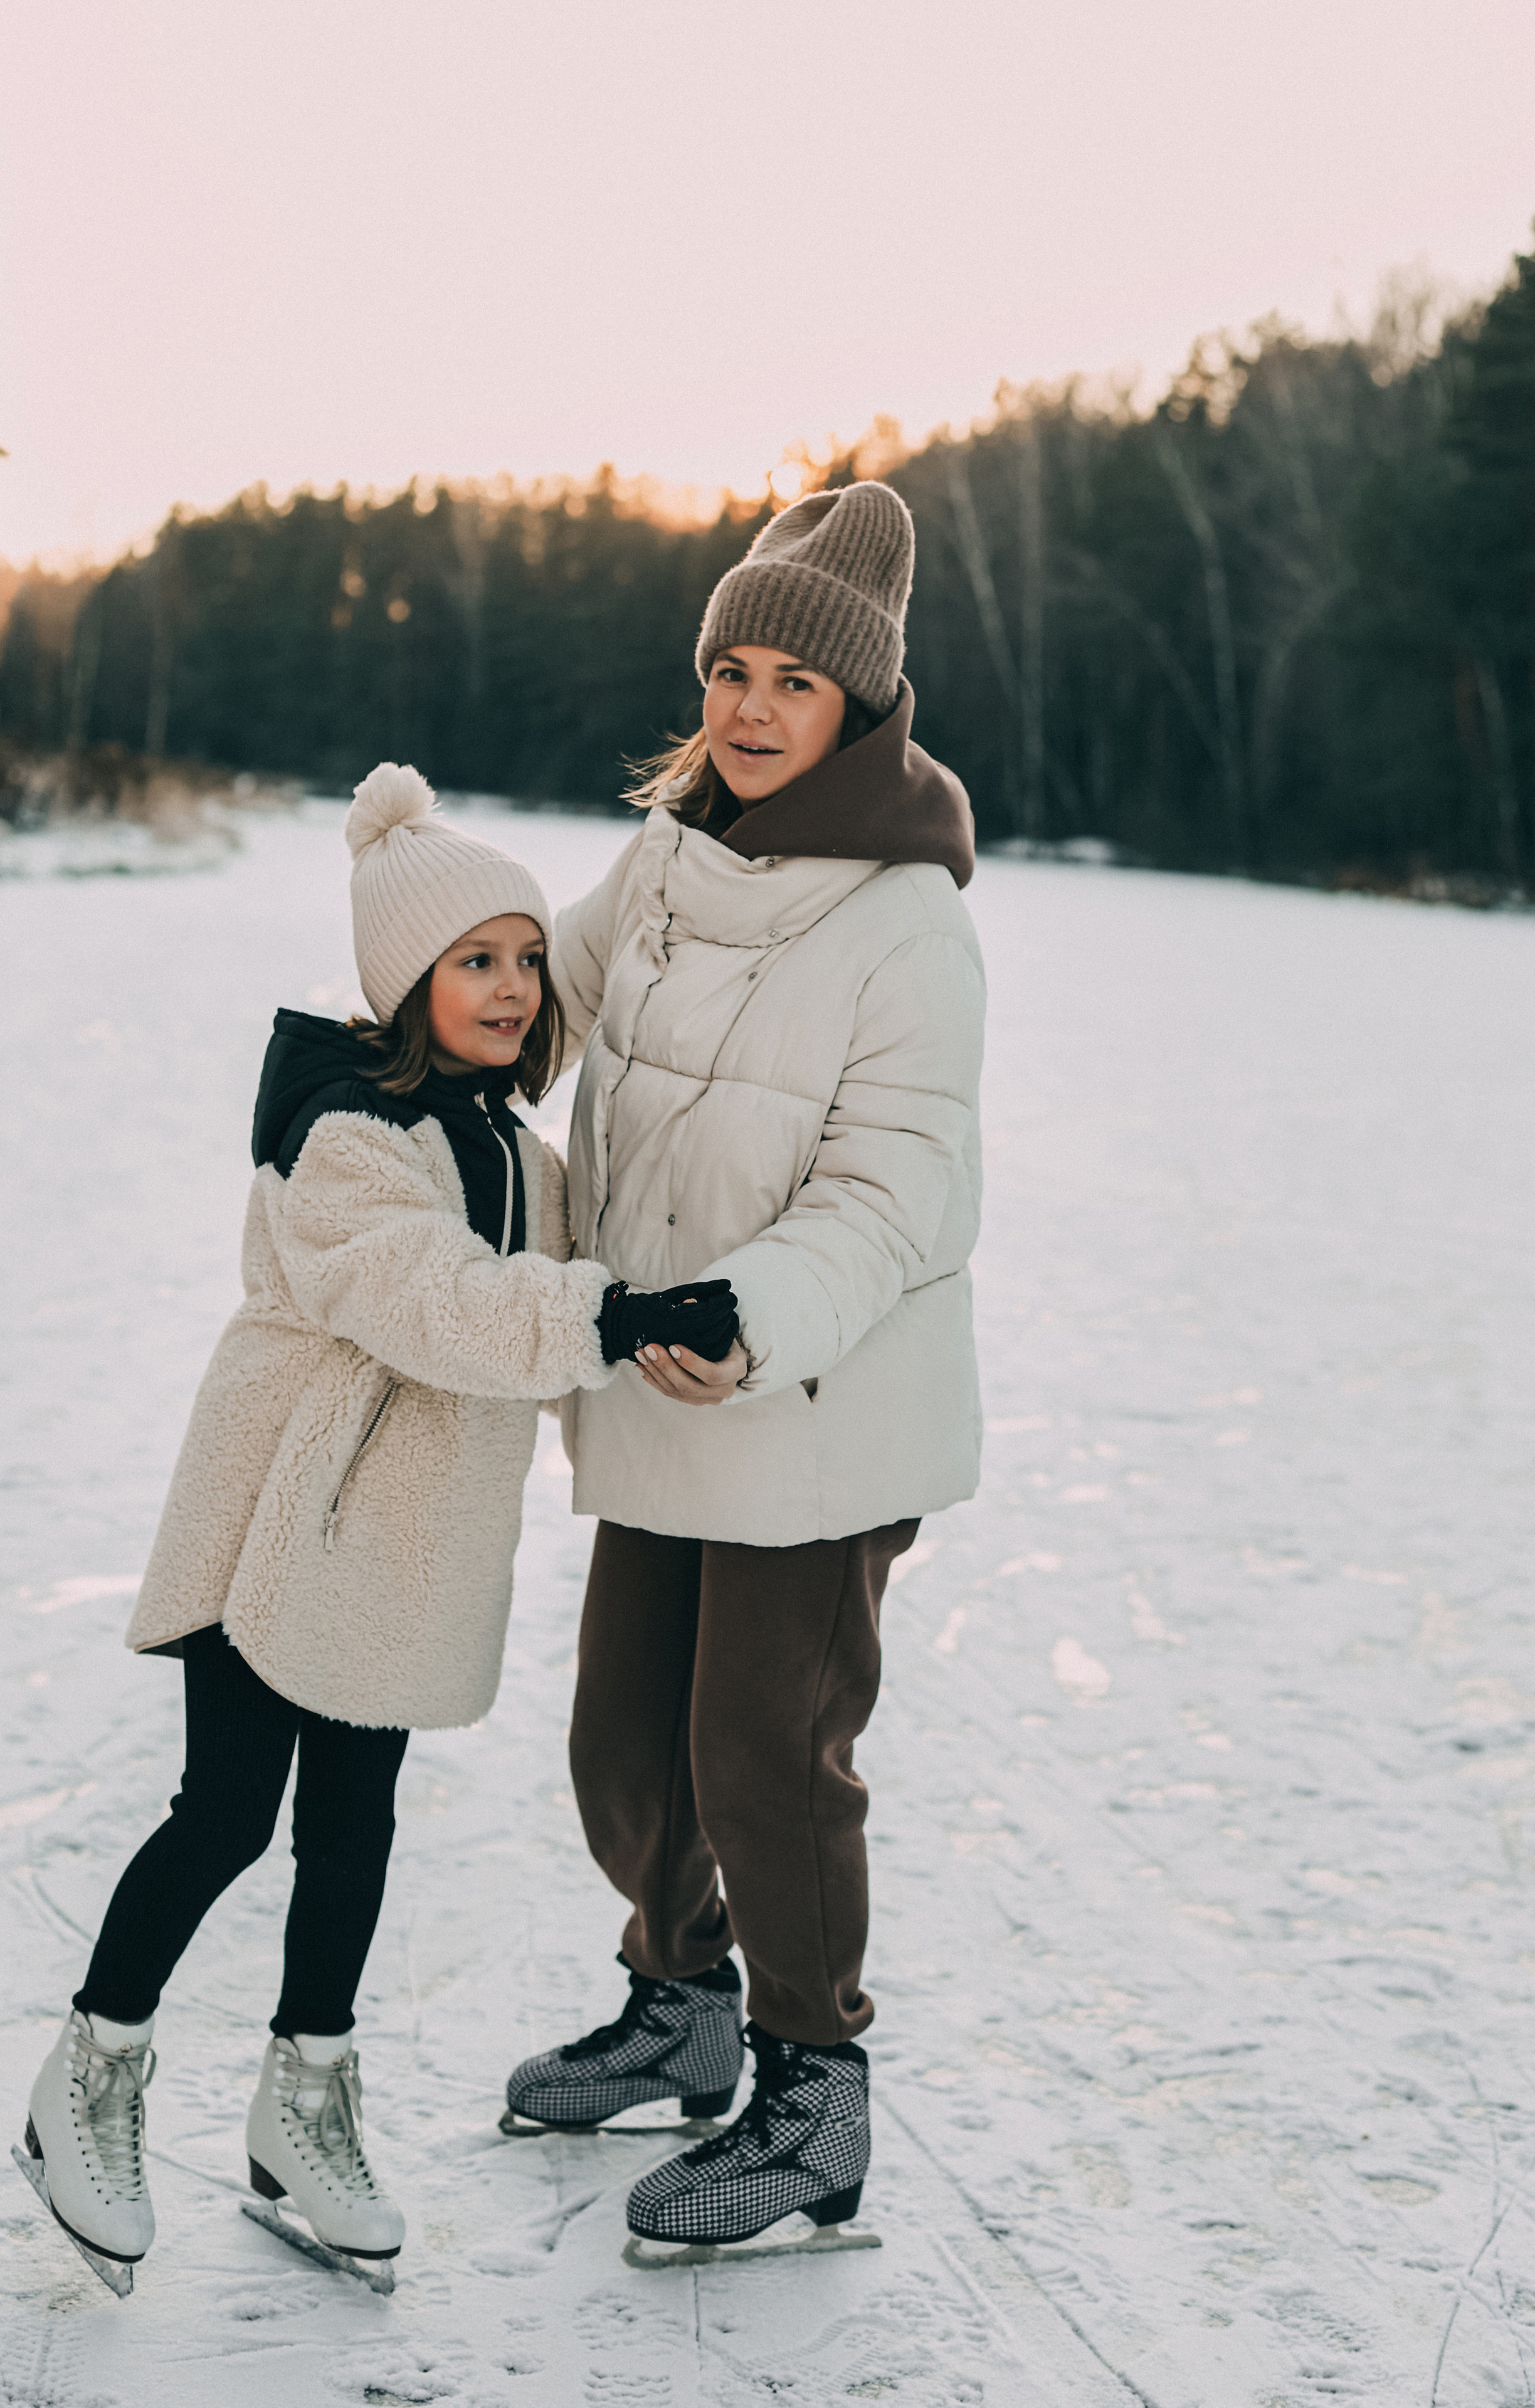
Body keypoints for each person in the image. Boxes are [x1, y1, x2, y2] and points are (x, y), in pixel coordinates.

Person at [18, 764, 737, 2294]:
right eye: (474, 961)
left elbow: (542, 1324)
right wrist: (613, 1316)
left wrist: (675, 1339)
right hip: (282, 1521)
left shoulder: (520, 1157)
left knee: (353, 1836)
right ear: (406, 983)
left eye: (526, 958)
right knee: (225, 1814)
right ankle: (88, 2073)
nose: (511, 986)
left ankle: (303, 2107)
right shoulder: (346, 1132)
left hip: (402, 1552)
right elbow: (435, 1298)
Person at [503, 480, 985, 2255]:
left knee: (765, 1757)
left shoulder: (909, 920)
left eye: (794, 680)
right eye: (731, 670)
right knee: (626, 1748)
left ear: (860, 705)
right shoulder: (664, 862)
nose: (753, 708)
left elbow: (894, 1191)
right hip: (663, 1379)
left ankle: (811, 2090)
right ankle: (680, 2008)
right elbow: (539, 1003)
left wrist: (750, 1311)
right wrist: (402, 1053)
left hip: (814, 1400)